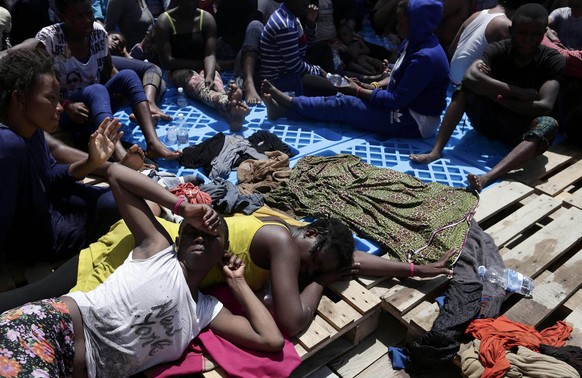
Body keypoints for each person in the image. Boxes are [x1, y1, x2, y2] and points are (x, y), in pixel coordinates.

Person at [0, 161, 284, 377]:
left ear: (223, 252)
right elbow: (115, 174)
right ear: (178, 241)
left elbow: (270, 340)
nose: (200, 236)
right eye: (191, 233)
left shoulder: (204, 311)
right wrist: (183, 209)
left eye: (212, 235)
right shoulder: (158, 250)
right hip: (44, 330)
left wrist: (238, 282)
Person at [419, 3, 565, 191]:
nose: (527, 40)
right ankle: (436, 151)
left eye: (535, 34)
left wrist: (496, 95)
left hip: (519, 133)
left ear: (544, 33)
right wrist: (517, 92)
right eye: (521, 33)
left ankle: (488, 176)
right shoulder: (499, 49)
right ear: (511, 30)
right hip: (487, 120)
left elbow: (544, 105)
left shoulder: (552, 60)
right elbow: (471, 76)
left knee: (548, 124)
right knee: (465, 89)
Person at [0, 47, 122, 266]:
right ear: (19, 99)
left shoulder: (32, 128)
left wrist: (92, 162)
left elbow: (50, 175)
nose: (59, 107)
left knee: (113, 200)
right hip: (37, 242)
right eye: (51, 98)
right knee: (115, 209)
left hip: (49, 209)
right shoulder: (8, 145)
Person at [261, 0, 450, 140]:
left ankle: (288, 107)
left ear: (418, 25)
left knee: (347, 104)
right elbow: (398, 76)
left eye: (401, 23)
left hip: (415, 119)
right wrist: (374, 84)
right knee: (345, 94)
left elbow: (395, 100)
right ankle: (290, 106)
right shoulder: (414, 42)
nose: (397, 27)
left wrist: (359, 90)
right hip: (403, 103)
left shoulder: (425, 57)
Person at [35, 0, 180, 161]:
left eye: (89, 14)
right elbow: (41, 88)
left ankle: (153, 143)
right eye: (79, 17)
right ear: (62, 17)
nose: (87, 20)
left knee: (128, 75)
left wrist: (125, 92)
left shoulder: (98, 33)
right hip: (67, 110)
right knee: (97, 89)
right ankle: (119, 155)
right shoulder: (49, 40)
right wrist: (66, 105)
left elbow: (110, 70)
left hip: (97, 104)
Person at [409, 0, 521, 164]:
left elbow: (453, 49)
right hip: (470, 83)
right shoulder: (506, 25)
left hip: (453, 77)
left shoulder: (478, 14)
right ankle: (437, 151)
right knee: (470, 86)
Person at [154, 0, 250, 131]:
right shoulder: (164, 21)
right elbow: (168, 61)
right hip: (177, 69)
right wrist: (203, 66)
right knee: (199, 86)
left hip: (204, 65)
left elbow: (210, 54)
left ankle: (232, 115)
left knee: (214, 85)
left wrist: (209, 75)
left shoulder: (206, 18)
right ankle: (229, 102)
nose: (189, 4)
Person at [259, 0, 327, 96]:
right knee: (330, 90)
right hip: (276, 83)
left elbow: (305, 46)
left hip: (288, 74)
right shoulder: (286, 25)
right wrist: (318, 70)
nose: (306, 2)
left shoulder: (290, 15)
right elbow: (294, 65)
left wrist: (310, 22)